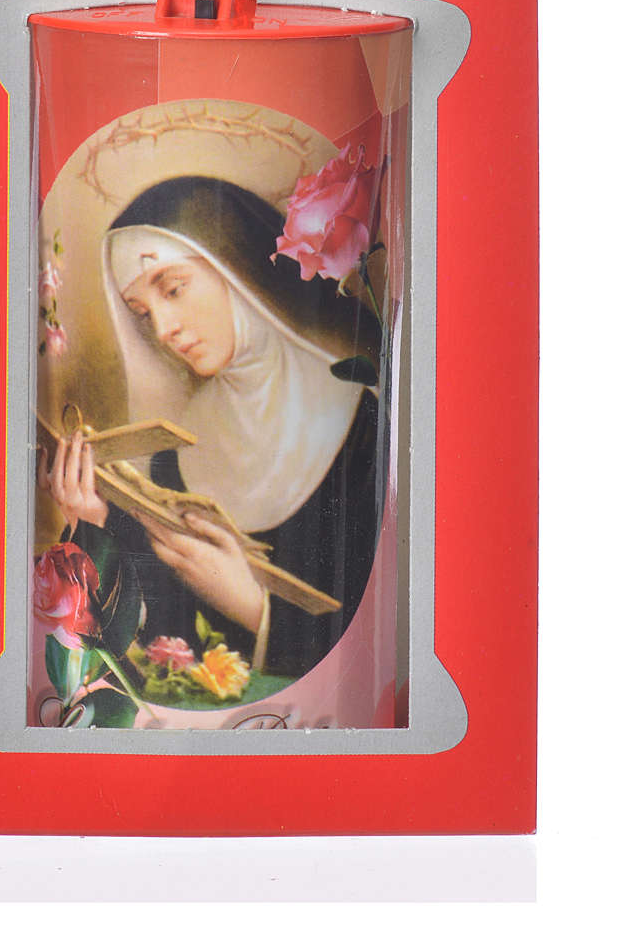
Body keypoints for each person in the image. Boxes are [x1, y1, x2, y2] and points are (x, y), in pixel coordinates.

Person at [39, 175, 386, 682]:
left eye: (173, 289)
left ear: (236, 266)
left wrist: (252, 607)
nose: (163, 330)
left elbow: (373, 640)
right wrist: (92, 521)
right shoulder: (175, 455)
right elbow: (164, 647)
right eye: (143, 314)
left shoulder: (362, 421)